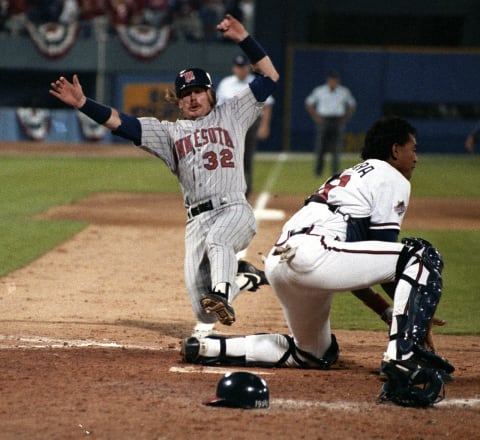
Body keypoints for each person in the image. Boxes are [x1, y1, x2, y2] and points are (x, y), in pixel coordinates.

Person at [181, 116, 454, 403]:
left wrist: (389, 312)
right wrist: (413, 320)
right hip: (315, 255)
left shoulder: (353, 176)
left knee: (312, 353)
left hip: (282, 262)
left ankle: (208, 348)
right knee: (421, 255)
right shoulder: (390, 175)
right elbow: (388, 261)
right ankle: (402, 358)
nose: (416, 158)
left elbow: (359, 265)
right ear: (395, 150)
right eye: (413, 149)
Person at [49, 13, 279, 337]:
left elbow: (269, 75)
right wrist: (84, 103)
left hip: (233, 209)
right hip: (196, 222)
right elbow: (123, 123)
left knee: (220, 245)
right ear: (179, 102)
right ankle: (244, 277)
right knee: (204, 310)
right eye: (186, 94)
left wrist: (244, 38)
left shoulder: (233, 113)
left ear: (210, 93)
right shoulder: (170, 133)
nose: (193, 98)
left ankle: (225, 290)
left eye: (198, 91)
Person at [216, 53, 275, 199]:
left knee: (246, 158)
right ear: (234, 68)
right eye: (238, 67)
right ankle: (227, 192)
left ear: (248, 68)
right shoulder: (225, 83)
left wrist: (264, 126)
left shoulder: (256, 83)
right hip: (229, 126)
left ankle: (244, 194)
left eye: (243, 67)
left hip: (250, 125)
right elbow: (218, 106)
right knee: (227, 158)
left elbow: (267, 105)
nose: (241, 70)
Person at [305, 70, 356, 177]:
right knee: (320, 148)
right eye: (331, 79)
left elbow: (352, 104)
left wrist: (345, 118)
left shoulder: (343, 91)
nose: (333, 81)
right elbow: (309, 103)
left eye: (335, 79)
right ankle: (318, 172)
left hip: (337, 121)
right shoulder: (320, 90)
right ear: (328, 80)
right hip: (324, 120)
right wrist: (316, 117)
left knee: (336, 148)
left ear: (338, 80)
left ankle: (335, 173)